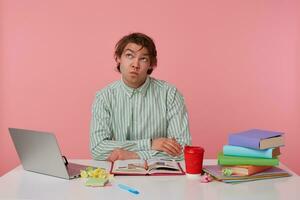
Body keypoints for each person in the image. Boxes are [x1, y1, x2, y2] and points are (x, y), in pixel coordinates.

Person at [90, 32, 191, 162]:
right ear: (118, 58)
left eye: (143, 58)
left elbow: (182, 150)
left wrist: (134, 155)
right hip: (117, 177)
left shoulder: (170, 94)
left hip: (161, 177)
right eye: (129, 56)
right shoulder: (104, 97)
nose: (135, 64)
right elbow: (97, 149)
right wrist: (150, 144)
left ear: (150, 64)